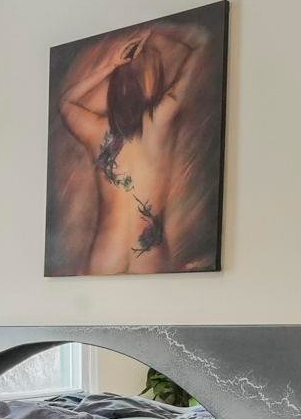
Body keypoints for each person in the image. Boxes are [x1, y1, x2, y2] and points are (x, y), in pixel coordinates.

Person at [56, 20, 219, 273]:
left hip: (106, 252)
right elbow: (200, 42)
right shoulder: (159, 120)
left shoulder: (95, 131)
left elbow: (67, 102)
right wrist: (157, 29)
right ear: (151, 84)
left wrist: (110, 66)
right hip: (149, 253)